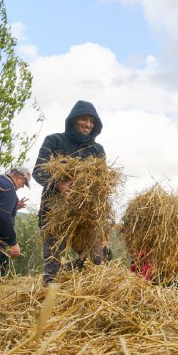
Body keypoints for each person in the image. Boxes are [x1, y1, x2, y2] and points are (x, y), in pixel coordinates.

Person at [33, 100, 105, 285]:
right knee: (53, 266)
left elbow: (102, 185)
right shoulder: (54, 141)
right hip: (55, 213)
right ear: (73, 120)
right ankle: (50, 297)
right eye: (84, 119)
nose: (88, 124)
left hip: (85, 215)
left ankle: (67, 273)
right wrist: (58, 185)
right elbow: (38, 171)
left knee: (95, 260)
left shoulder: (97, 150)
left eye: (91, 121)